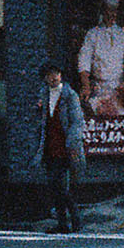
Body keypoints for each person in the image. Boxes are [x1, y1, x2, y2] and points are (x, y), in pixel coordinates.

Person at [78, 0, 124, 115]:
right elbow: (84, 60)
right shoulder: (93, 34)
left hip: (118, 89)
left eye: (114, 11)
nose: (111, 15)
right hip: (98, 88)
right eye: (108, 11)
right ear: (103, 12)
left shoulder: (122, 33)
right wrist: (85, 85)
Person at [39, 63, 86, 233]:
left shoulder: (69, 95)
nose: (53, 77)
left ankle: (74, 219)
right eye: (50, 75)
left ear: (61, 75)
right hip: (50, 146)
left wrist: (72, 144)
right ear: (45, 78)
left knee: (58, 183)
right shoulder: (44, 94)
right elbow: (43, 121)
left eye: (56, 74)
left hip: (65, 147)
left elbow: (77, 122)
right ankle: (64, 222)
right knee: (54, 185)